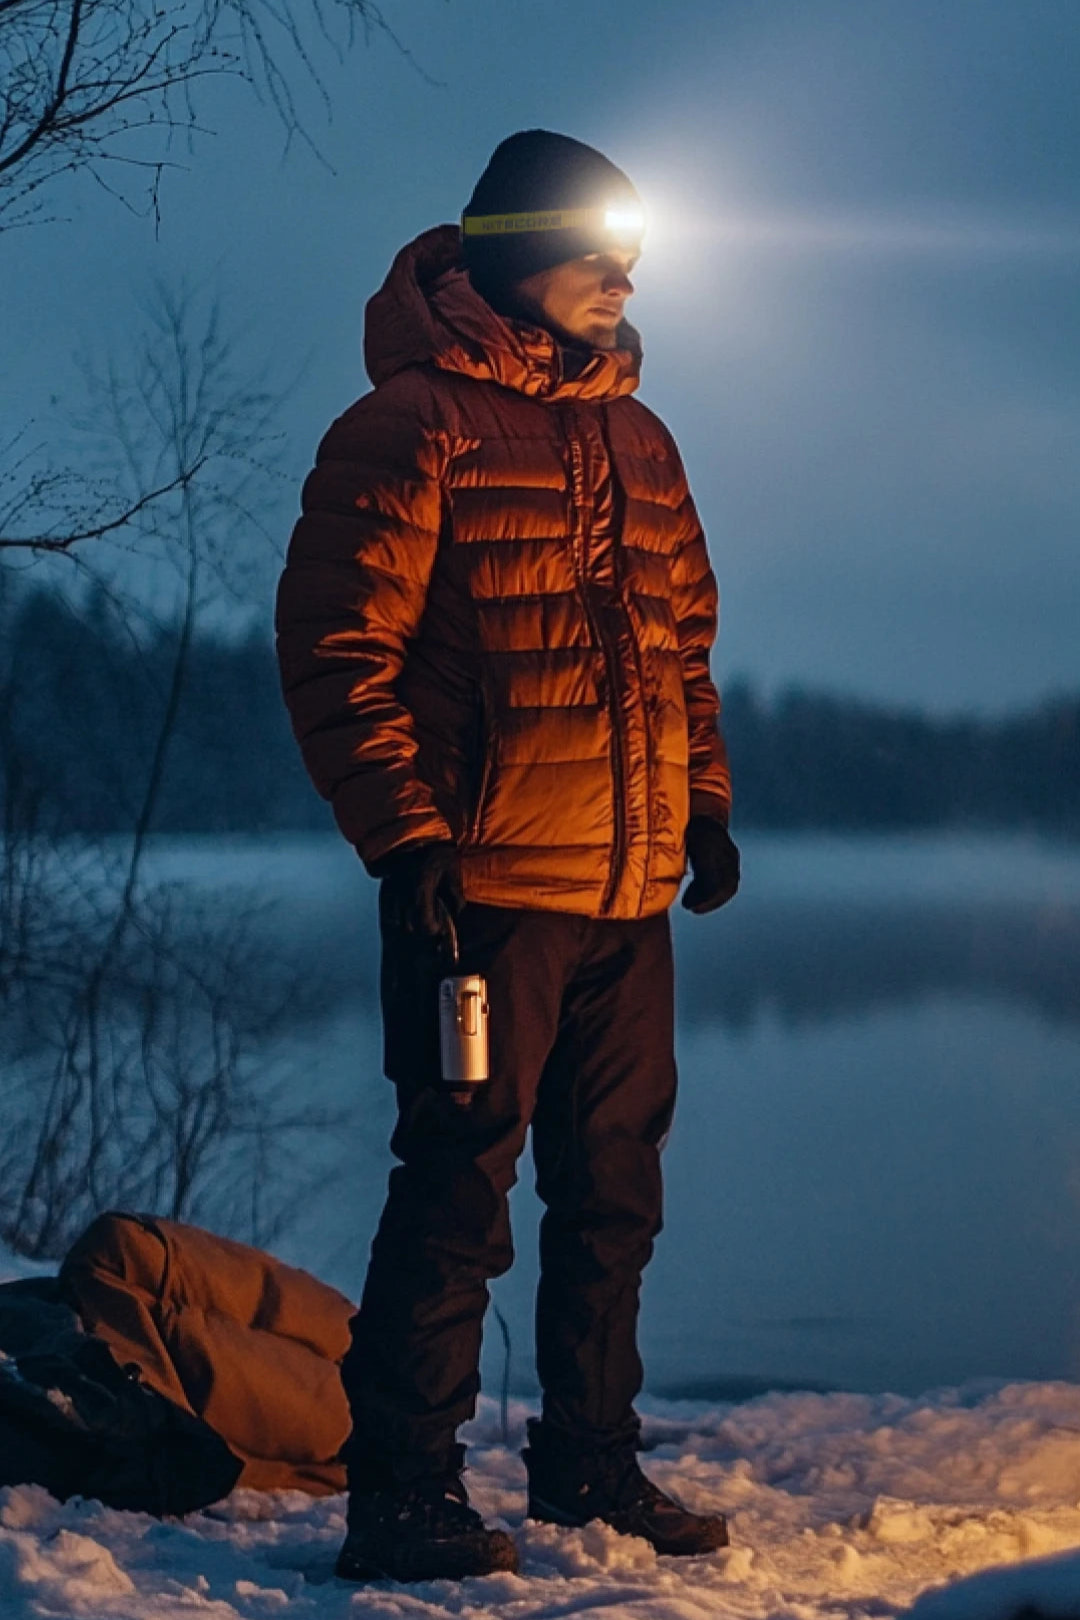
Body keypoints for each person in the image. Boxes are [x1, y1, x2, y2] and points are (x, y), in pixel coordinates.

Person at [275, 129, 740, 1585]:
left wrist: (704, 804)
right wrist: (403, 835)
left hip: (624, 893)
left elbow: (683, 649)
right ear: (519, 254)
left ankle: (589, 1466)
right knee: (457, 1188)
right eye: (598, 252)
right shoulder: (410, 425)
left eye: (634, 258)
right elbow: (336, 649)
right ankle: (402, 1496)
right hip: (478, 892)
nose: (624, 281)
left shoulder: (641, 439)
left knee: (613, 1192)